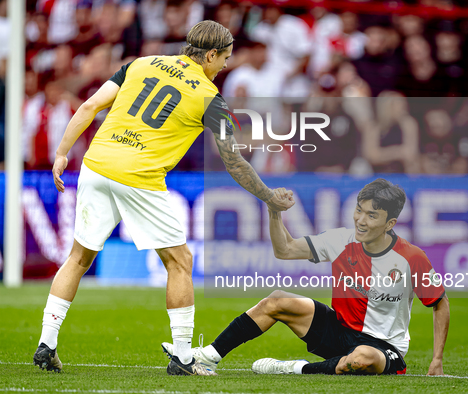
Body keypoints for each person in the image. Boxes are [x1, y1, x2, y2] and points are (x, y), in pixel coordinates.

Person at [32, 20, 293, 376]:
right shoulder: (209, 97)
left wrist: (62, 153)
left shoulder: (140, 63)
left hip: (96, 164)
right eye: (224, 59)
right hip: (138, 176)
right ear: (210, 55)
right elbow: (233, 160)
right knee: (180, 262)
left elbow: (89, 106)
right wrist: (267, 196)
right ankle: (184, 357)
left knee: (78, 257)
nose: (225, 66)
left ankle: (47, 343)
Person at [162, 179, 450, 376]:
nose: (361, 220)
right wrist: (274, 213)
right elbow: (284, 250)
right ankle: (207, 356)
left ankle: (293, 368)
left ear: (390, 223)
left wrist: (436, 359)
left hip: (382, 347)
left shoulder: (410, 258)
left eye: (371, 216)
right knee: (277, 300)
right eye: (359, 211)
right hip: (339, 331)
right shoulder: (341, 240)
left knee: (361, 360)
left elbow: (439, 303)